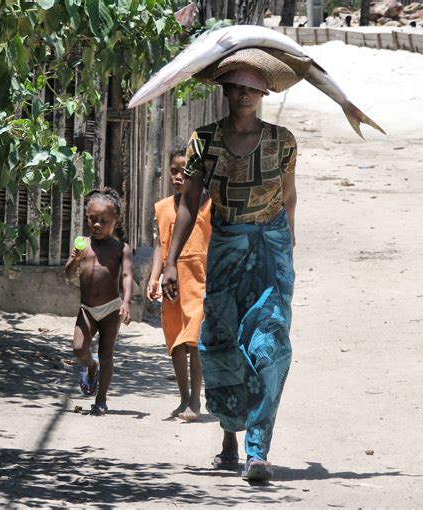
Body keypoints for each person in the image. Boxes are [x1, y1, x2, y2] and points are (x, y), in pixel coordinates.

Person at [161, 64, 297, 481]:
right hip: (225, 251)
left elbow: (289, 197)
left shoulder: (282, 141)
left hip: (271, 253)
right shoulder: (204, 141)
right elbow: (188, 203)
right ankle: (229, 441)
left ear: (265, 94)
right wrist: (170, 261)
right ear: (224, 90)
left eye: (252, 89)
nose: (244, 95)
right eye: (236, 87)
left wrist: (288, 247)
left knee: (268, 345)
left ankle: (258, 450)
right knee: (222, 346)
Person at [147, 144, 211, 421]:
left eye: (184, 172)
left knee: (194, 340)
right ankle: (183, 397)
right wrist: (153, 277)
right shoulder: (162, 208)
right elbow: (160, 246)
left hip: (201, 281)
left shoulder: (211, 207)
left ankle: (196, 400)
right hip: (173, 284)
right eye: (173, 171)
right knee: (175, 340)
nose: (177, 177)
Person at [65, 188, 133, 415]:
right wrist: (74, 259)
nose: (97, 225)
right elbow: (68, 273)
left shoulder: (121, 249)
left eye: (103, 221)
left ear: (116, 221)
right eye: (92, 219)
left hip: (111, 309)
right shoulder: (83, 244)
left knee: (107, 354)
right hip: (87, 309)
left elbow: (127, 276)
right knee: (78, 348)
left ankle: (101, 399)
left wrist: (126, 303)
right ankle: (90, 367)